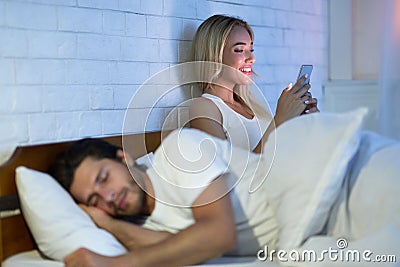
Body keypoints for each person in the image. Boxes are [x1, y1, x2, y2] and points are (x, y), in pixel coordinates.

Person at [48, 128, 278, 267]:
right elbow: (183, 249)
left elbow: (219, 234)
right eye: (94, 200)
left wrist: (114, 264)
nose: (107, 197)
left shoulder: (178, 150)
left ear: (124, 158)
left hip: (304, 181)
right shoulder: (141, 225)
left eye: (104, 178)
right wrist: (108, 224)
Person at [189, 14, 319, 153]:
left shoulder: (251, 104)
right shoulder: (203, 107)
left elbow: (277, 153)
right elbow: (229, 173)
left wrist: (296, 122)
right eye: (239, 50)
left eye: (251, 50)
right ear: (214, 55)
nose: (252, 58)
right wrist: (280, 120)